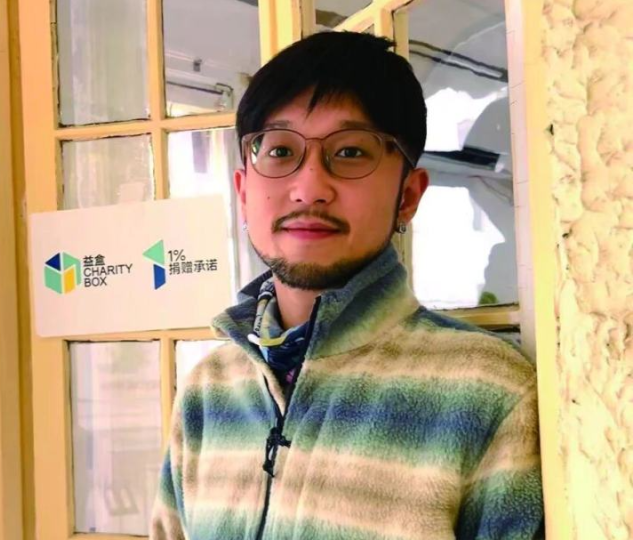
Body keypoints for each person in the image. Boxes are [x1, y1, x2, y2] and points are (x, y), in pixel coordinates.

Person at [150, 31, 543, 540]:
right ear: (244, 192)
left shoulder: (487, 390)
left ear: (408, 196)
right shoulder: (210, 389)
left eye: (351, 151)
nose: (309, 187)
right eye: (279, 150)